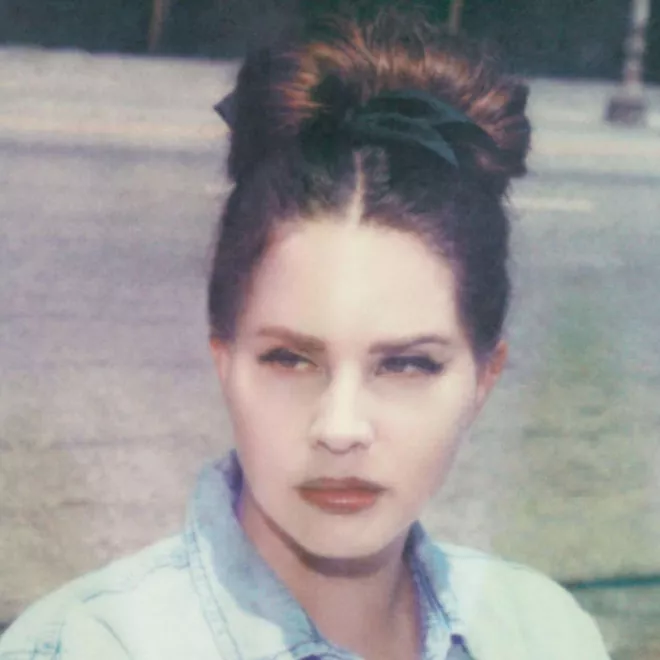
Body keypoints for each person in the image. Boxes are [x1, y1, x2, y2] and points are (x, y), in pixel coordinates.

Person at [0, 6, 611, 660]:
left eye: (406, 365)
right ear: (223, 360)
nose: (340, 429)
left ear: (484, 379)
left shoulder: (546, 634)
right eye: (290, 359)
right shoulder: (88, 645)